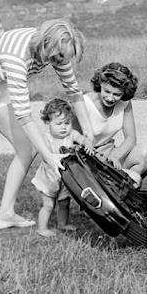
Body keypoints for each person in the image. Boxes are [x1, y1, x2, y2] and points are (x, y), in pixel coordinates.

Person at [0, 19, 94, 262]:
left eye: (66, 58)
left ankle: (5, 214)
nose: (61, 62)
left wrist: (89, 132)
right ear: (47, 44)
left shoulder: (58, 50)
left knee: (26, 150)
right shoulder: (17, 55)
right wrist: (50, 157)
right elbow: (24, 116)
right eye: (59, 57)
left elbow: (73, 91)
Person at [75, 62, 147, 189]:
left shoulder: (125, 103)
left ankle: (123, 191)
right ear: (100, 84)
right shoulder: (84, 103)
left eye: (117, 94)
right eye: (107, 91)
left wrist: (116, 155)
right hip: (89, 158)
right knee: (133, 179)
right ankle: (117, 189)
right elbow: (72, 139)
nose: (110, 98)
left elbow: (131, 138)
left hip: (110, 153)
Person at [31, 98, 92, 238]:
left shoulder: (71, 135)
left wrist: (86, 142)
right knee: (48, 205)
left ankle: (62, 224)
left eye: (67, 123)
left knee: (64, 202)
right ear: (48, 122)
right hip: (49, 178)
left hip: (65, 179)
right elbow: (44, 153)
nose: (64, 127)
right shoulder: (46, 138)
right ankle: (42, 228)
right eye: (59, 123)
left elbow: (82, 139)